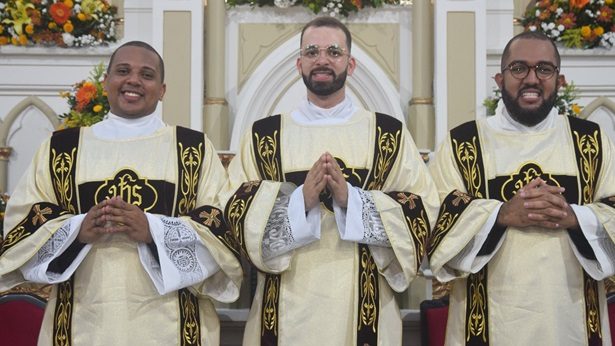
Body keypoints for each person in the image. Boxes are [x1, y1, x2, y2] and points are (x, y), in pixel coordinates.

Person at [0, 41, 242, 345]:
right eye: (123, 71)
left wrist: (153, 230)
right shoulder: (61, 149)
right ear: (106, 82)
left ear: (162, 89)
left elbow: (222, 230)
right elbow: (21, 224)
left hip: (174, 327)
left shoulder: (192, 149)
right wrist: (77, 231)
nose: (133, 81)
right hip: (82, 323)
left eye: (147, 74)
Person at [222, 16, 439, 345]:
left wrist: (354, 202)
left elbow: (424, 209)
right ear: (299, 64)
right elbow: (233, 210)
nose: (322, 59)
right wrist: (301, 201)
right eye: (312, 51)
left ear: (350, 65)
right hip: (283, 313)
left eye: (334, 52)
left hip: (366, 310)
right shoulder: (264, 135)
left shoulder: (388, 134)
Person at [428, 31, 615, 345]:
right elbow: (434, 216)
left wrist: (575, 218)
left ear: (560, 80)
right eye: (519, 68)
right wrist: (501, 215)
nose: (532, 78)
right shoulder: (463, 144)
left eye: (544, 69)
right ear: (499, 79)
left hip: (571, 322)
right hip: (487, 324)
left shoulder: (591, 142)